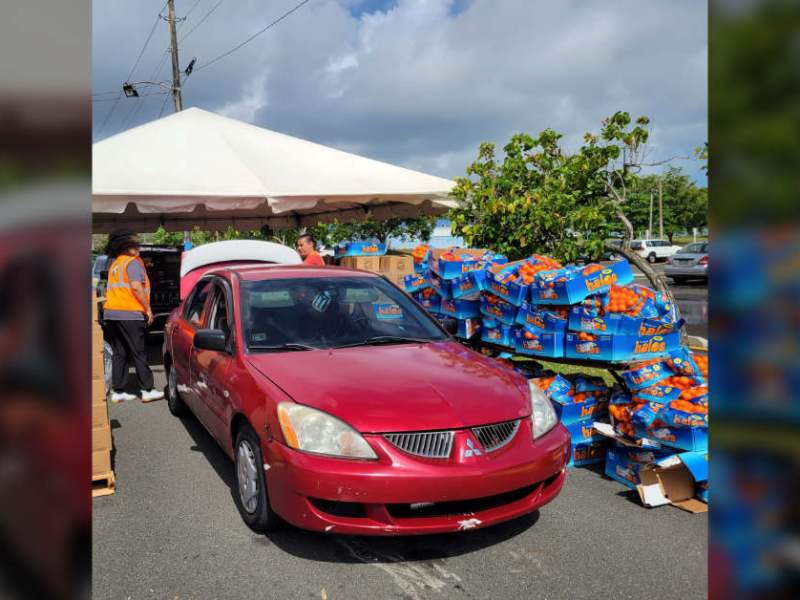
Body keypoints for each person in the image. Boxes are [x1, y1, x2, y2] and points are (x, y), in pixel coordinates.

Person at [102, 229, 164, 403]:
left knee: (119, 352)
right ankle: (147, 390)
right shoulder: (134, 262)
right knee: (139, 352)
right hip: (130, 313)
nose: (139, 248)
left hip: (112, 314)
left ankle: (118, 391)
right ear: (125, 247)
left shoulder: (115, 264)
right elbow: (136, 287)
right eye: (135, 245)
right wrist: (148, 309)